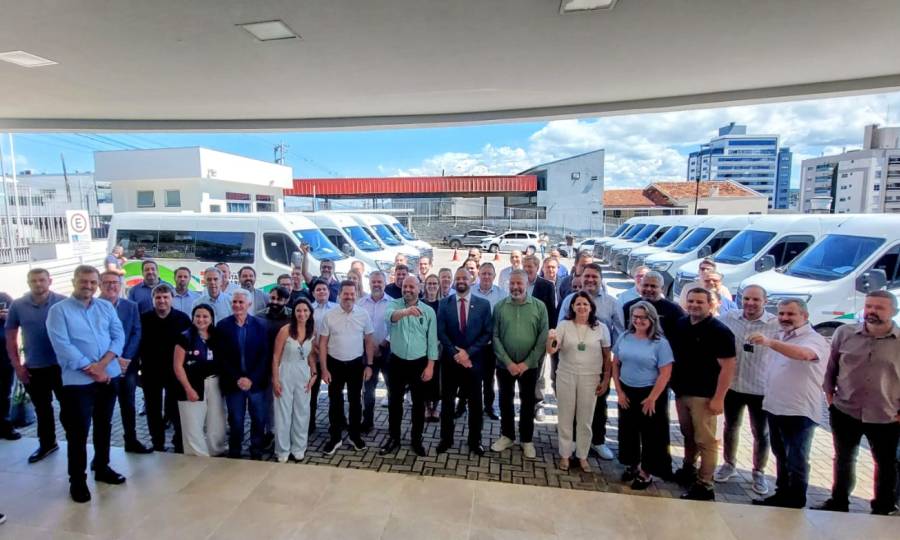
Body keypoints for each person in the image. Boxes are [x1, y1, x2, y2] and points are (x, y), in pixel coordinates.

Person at [46, 265, 125, 503]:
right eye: (84, 282)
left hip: (108, 377)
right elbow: (63, 345)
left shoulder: (105, 307)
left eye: (93, 282)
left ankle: (102, 467)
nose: (88, 286)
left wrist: (103, 366)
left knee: (104, 425)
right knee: (78, 433)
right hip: (78, 383)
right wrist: (92, 369)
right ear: (74, 281)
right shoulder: (59, 311)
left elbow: (118, 336)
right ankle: (77, 481)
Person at [818, 290, 900, 515]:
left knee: (886, 463)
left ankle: (883, 506)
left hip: (886, 414)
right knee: (844, 458)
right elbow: (831, 367)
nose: (871, 311)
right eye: (869, 306)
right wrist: (830, 397)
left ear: (893, 312)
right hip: (845, 410)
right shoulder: (845, 333)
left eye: (879, 307)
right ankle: (839, 501)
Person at [750, 298, 830, 509]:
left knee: (797, 458)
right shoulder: (782, 335)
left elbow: (805, 355)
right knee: (780, 455)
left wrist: (771, 343)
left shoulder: (813, 339)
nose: (785, 318)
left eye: (790, 314)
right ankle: (781, 493)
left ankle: (796, 499)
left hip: (799, 410)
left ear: (805, 316)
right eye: (782, 314)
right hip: (775, 406)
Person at [669, 287, 736, 501]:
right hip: (682, 391)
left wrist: (719, 398)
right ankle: (688, 469)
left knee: (706, 441)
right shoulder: (681, 324)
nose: (694, 305)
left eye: (700, 302)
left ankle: (705, 484)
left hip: (705, 396)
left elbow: (728, 367)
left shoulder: (720, 331)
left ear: (711, 304)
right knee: (689, 435)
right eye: (691, 301)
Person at [716, 285, 778, 495]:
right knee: (731, 426)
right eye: (747, 299)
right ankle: (729, 464)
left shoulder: (775, 325)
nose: (750, 303)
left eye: (756, 300)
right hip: (733, 385)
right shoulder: (729, 318)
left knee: (761, 432)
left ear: (765, 301)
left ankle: (759, 472)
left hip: (761, 387)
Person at [558, 263, 624, 460]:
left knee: (599, 401)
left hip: (599, 361)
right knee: (572, 404)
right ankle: (574, 443)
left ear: (600, 278)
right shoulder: (570, 299)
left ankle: (598, 441)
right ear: (580, 277)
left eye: (594, 277)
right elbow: (560, 327)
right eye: (587, 276)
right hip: (571, 360)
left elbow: (619, 332)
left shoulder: (612, 302)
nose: (590, 280)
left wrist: (610, 362)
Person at [5, 268, 66, 462]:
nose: (38, 284)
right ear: (28, 282)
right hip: (35, 368)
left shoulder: (63, 302)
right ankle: (48, 444)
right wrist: (18, 366)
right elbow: (11, 337)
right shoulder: (18, 305)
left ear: (50, 281)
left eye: (41, 280)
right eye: (33, 281)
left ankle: (76, 444)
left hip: (62, 367)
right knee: (42, 409)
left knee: (70, 408)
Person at [612, 301, 674, 489]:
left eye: (643, 317)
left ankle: (646, 472)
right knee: (628, 430)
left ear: (651, 319)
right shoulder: (624, 336)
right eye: (635, 317)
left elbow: (665, 373)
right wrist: (619, 392)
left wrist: (653, 397)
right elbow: (615, 364)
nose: (638, 320)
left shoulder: (660, 343)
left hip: (650, 393)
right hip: (627, 390)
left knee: (651, 434)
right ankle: (632, 465)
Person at [547, 291, 612, 473]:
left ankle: (582, 456)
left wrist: (606, 379)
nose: (582, 307)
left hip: (591, 377)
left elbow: (607, 357)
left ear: (591, 307)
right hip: (567, 375)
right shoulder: (564, 325)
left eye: (585, 304)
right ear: (573, 307)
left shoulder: (601, 328)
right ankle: (565, 455)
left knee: (585, 418)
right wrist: (551, 339)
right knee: (566, 416)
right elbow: (552, 351)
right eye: (578, 304)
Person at [491, 269, 548, 459]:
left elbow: (543, 338)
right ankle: (507, 436)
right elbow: (496, 336)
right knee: (505, 401)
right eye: (512, 283)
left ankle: (526, 440)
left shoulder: (539, 307)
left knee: (527, 402)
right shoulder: (500, 307)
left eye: (519, 283)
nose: (515, 287)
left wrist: (527, 363)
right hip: (504, 366)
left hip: (529, 366)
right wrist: (507, 362)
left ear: (526, 284)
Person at [436, 268, 493, 455]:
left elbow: (487, 333)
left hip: (474, 363)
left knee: (476, 403)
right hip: (450, 363)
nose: (460, 281)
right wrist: (455, 353)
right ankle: (446, 438)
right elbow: (441, 332)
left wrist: (468, 353)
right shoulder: (444, 304)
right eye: (457, 278)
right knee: (447, 402)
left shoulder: (483, 305)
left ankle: (475, 440)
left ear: (471, 280)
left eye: (464, 278)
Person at [380, 277, 438, 456]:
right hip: (397, 362)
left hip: (419, 363)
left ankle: (416, 439)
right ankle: (394, 438)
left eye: (412, 286)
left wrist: (430, 366)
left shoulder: (428, 311)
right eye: (405, 286)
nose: (408, 289)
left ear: (419, 288)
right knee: (395, 402)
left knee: (418, 404)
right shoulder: (394, 305)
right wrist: (406, 312)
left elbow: (432, 342)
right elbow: (389, 317)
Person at [98, 271, 151, 454]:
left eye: (115, 282)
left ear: (120, 285)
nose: (111, 286)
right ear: (100, 285)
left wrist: (126, 358)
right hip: (104, 367)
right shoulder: (92, 307)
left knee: (128, 405)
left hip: (127, 366)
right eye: (107, 282)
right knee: (104, 411)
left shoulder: (131, 306)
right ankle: (101, 452)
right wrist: (112, 358)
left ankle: (131, 441)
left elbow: (137, 332)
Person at [319, 280, 374, 455]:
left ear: (356, 295)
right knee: (335, 402)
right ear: (340, 295)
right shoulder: (329, 315)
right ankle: (335, 437)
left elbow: (368, 341)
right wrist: (324, 369)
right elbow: (322, 344)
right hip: (334, 364)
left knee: (355, 402)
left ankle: (354, 435)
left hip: (356, 364)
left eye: (352, 294)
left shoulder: (363, 315)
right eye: (346, 294)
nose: (349, 297)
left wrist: (369, 365)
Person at [217, 289, 271, 459]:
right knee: (236, 420)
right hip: (234, 383)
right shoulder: (223, 326)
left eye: (241, 302)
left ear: (249, 304)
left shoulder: (261, 325)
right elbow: (222, 357)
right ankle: (235, 450)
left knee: (258, 418)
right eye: (235, 302)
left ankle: (256, 450)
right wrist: (237, 379)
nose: (237, 305)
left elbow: (265, 356)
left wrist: (251, 379)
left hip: (256, 383)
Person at [140, 283, 191, 452]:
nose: (162, 301)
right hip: (150, 372)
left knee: (176, 409)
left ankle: (178, 442)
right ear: (153, 299)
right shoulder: (144, 319)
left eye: (165, 297)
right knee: (153, 409)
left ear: (172, 298)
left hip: (174, 372)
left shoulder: (182, 319)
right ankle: (158, 443)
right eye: (158, 298)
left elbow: (188, 346)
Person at [173, 303, 226, 457]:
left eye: (205, 316)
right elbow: (177, 366)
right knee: (192, 424)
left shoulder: (216, 336)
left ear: (211, 318)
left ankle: (216, 450)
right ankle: (197, 455)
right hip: (192, 383)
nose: (201, 319)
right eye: (198, 316)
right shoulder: (184, 337)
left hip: (214, 382)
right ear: (193, 317)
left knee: (216, 421)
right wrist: (188, 389)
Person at [272, 298, 318, 462]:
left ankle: (298, 447)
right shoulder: (285, 330)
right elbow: (276, 357)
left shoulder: (312, 331)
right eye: (298, 310)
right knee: (283, 412)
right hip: (285, 370)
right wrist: (275, 379)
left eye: (305, 310)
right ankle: (282, 450)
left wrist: (314, 375)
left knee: (302, 412)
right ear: (294, 312)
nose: (302, 313)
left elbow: (311, 355)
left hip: (303, 373)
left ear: (310, 313)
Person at [471, 262, 507, 420]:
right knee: (471, 376)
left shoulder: (502, 294)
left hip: (491, 344)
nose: (486, 276)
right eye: (483, 273)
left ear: (493, 276)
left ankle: (489, 406)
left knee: (489, 377)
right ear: (479, 275)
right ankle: (466, 405)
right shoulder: (470, 292)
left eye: (489, 274)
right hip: (473, 343)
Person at [359, 271, 393, 432]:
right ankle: (368, 421)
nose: (377, 284)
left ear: (385, 283)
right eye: (374, 282)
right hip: (367, 354)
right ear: (369, 283)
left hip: (387, 352)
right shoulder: (361, 303)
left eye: (380, 282)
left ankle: (394, 424)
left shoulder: (393, 303)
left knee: (392, 389)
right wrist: (369, 347)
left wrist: (383, 344)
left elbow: (395, 328)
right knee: (369, 390)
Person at [308, 279, 337, 435]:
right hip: (312, 357)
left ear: (329, 291)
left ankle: (336, 424)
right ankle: (310, 423)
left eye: (324, 289)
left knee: (334, 393)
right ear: (313, 293)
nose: (322, 292)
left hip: (332, 357)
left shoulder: (336, 308)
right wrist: (314, 346)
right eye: (318, 289)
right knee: (312, 393)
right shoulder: (308, 309)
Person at [621, 271, 684, 340]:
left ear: (662, 289)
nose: (648, 289)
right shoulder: (629, 307)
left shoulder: (673, 310)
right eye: (645, 285)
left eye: (653, 286)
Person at [420, 274, 443, 421]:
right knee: (424, 377)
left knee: (437, 379)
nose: (432, 286)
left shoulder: (444, 304)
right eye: (429, 283)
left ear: (439, 286)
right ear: (425, 285)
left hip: (439, 347)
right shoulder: (420, 304)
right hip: (422, 348)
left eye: (435, 283)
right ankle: (426, 407)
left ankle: (435, 407)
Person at [0, 291, 20, 441]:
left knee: (4, 393)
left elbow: (18, 320)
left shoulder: (5, 297)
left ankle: (5, 425)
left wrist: (9, 317)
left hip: (4, 355)